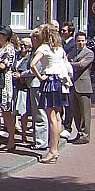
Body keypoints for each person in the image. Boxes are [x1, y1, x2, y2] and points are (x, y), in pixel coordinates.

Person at [29, 26, 67, 164]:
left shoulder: (43, 48)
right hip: (59, 81)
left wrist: (39, 77)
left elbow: (32, 64)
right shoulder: (59, 49)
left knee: (51, 117)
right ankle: (55, 149)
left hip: (49, 81)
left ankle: (52, 151)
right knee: (57, 116)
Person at [0, 27, 18, 151]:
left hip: (5, 80)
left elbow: (5, 65)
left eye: (2, 35)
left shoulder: (9, 48)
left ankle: (11, 139)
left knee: (6, 111)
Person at [69, 33, 94, 144]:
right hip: (72, 85)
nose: (81, 43)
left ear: (86, 41)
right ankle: (79, 133)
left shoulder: (89, 53)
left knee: (85, 113)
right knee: (76, 112)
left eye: (83, 40)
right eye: (79, 41)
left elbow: (81, 65)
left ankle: (85, 135)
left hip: (84, 86)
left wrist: (69, 64)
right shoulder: (72, 52)